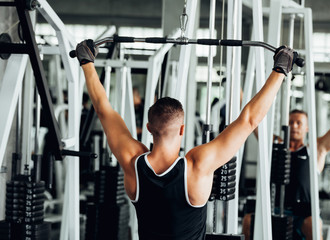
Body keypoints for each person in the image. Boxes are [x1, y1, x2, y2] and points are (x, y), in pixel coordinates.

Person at [75, 39, 297, 240]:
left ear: (149, 128)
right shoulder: (197, 165)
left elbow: (103, 110)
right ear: (182, 129)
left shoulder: (132, 161)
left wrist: (87, 62)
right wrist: (280, 69)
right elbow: (248, 120)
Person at [242, 95, 330, 240]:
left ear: (307, 127)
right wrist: (242, 94)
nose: (294, 126)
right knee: (248, 221)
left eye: (299, 123)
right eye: (291, 122)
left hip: (302, 215)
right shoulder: (274, 145)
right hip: (273, 209)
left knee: (313, 225)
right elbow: (252, 120)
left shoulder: (317, 150)